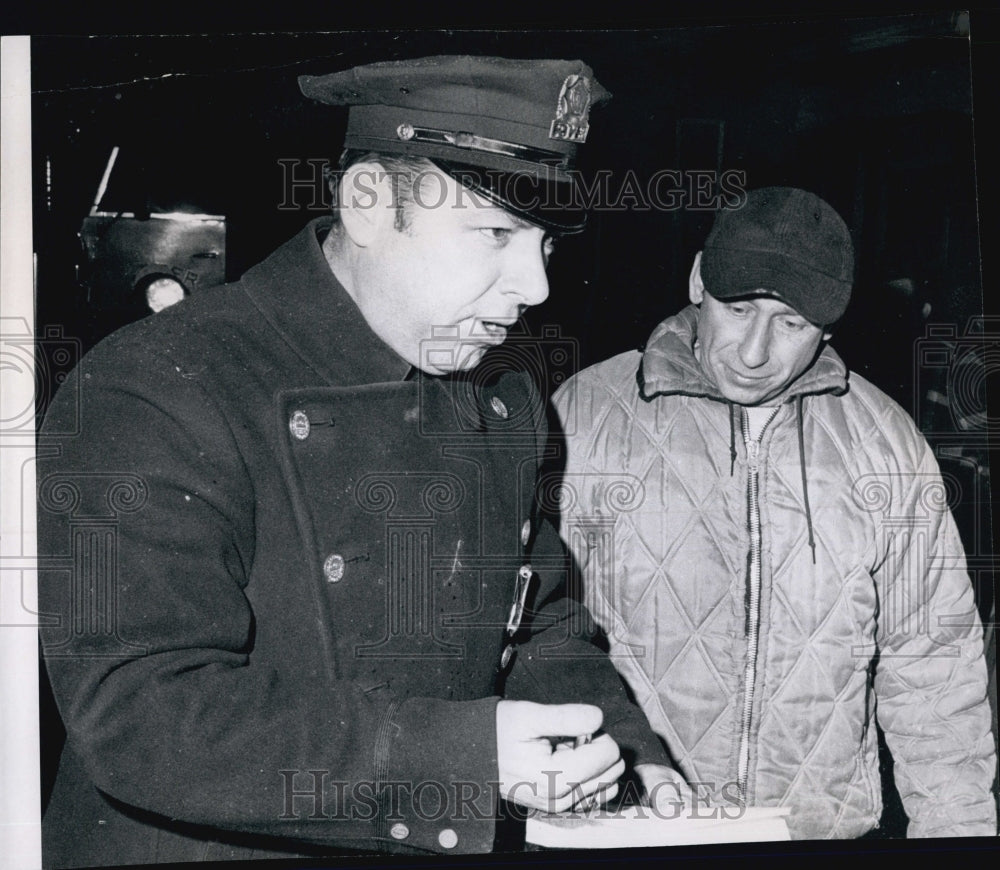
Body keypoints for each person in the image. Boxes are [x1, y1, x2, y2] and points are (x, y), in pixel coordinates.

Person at [36, 55, 687, 867]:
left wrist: (621, 753)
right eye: (496, 234)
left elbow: (539, 624)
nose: (535, 286)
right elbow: (140, 714)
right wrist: (458, 757)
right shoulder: (158, 385)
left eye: (546, 245)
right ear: (369, 202)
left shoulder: (500, 395)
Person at [551, 186, 998, 839]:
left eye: (790, 325)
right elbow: (536, 632)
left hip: (812, 832)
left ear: (828, 328)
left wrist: (959, 832)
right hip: (630, 825)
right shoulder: (588, 415)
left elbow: (932, 658)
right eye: (739, 310)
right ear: (699, 279)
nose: (755, 352)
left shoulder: (884, 440)